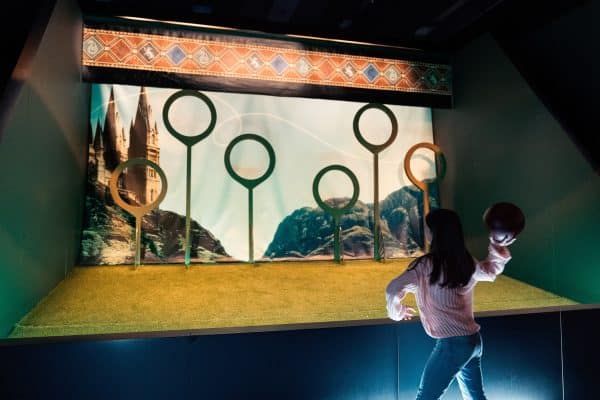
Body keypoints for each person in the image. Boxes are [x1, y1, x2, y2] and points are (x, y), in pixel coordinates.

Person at [385, 208, 515, 400]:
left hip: (452, 345)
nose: (425, 232)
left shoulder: (424, 266)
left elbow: (392, 289)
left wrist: (397, 312)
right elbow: (490, 271)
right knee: (475, 397)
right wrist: (497, 244)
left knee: (425, 397)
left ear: (434, 233)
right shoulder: (465, 261)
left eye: (427, 228)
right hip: (472, 342)